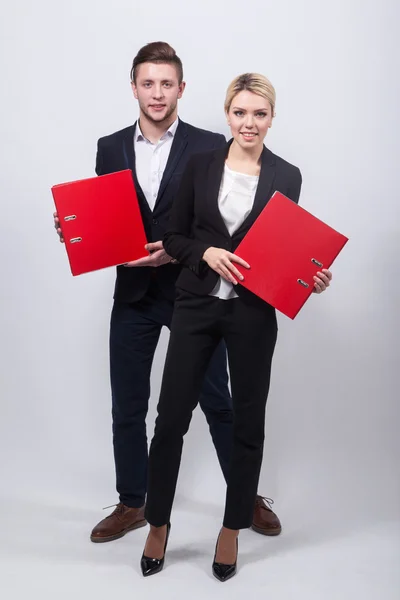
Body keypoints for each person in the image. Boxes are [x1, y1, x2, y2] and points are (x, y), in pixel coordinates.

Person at [53, 43, 282, 542]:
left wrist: (178, 252)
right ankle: (133, 503)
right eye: (147, 83)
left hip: (192, 293)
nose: (157, 94)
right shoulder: (109, 146)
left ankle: (245, 498)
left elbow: (222, 224)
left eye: (167, 83)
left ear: (182, 88)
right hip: (133, 292)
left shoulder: (208, 147)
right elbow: (105, 215)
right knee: (128, 404)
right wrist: (74, 229)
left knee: (218, 401)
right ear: (133, 86)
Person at [140, 72, 332, 581]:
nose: (250, 123)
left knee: (248, 423)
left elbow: (286, 248)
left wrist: (308, 276)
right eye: (241, 113)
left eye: (260, 114)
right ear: (229, 114)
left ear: (272, 118)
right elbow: (173, 237)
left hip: (251, 315)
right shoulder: (201, 165)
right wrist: (204, 250)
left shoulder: (286, 176)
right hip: (196, 306)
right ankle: (158, 523)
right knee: (171, 419)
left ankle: (231, 529)